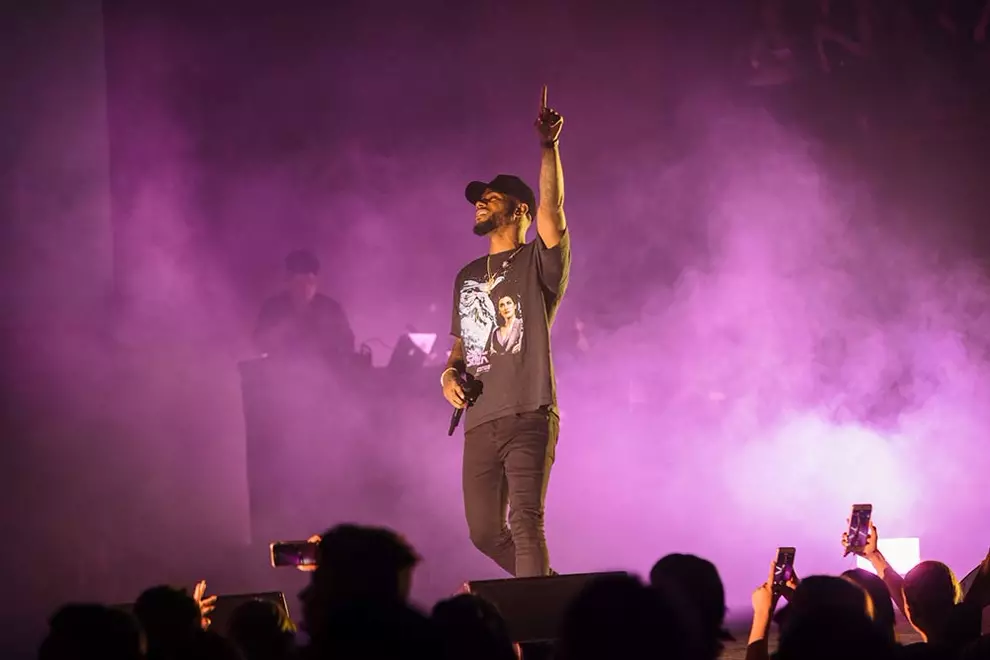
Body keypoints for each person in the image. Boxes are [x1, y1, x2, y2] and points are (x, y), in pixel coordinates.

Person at [440, 86, 570, 578]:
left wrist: (547, 147)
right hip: (479, 421)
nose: (480, 203)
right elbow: (459, 350)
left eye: (491, 198)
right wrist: (447, 378)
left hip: (527, 410)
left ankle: (540, 636)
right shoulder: (466, 274)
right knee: (483, 533)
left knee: (526, 524)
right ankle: (550, 597)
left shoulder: (537, 260)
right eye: (479, 199)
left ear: (518, 210)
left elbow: (552, 212)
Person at [254, 250, 355, 365]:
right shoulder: (273, 308)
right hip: (281, 372)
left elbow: (347, 342)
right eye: (299, 282)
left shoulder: (331, 309)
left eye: (310, 282)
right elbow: (259, 342)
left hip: (327, 373)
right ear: (289, 282)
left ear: (316, 283)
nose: (305, 288)